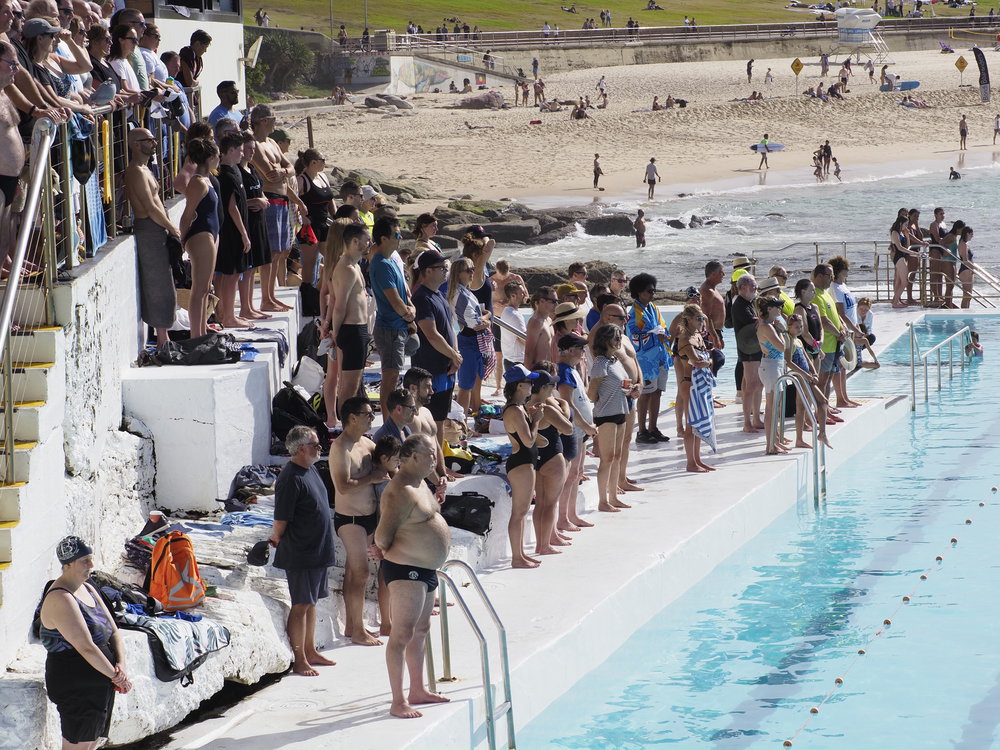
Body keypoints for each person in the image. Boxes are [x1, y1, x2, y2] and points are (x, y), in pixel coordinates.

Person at [375, 433, 453, 719]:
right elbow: (383, 535)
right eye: (431, 453)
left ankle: (417, 690)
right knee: (402, 634)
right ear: (413, 457)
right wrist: (379, 549)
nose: (435, 458)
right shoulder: (399, 490)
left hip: (426, 569)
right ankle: (398, 701)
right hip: (406, 569)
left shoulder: (420, 484)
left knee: (421, 631)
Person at [39, 536, 132, 749]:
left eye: (91, 559)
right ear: (67, 565)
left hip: (100, 680)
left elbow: (114, 631)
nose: (91, 566)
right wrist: (117, 676)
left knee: (92, 743)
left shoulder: (88, 588)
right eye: (84, 561)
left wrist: (121, 667)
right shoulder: (61, 597)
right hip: (76, 685)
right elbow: (86, 647)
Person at [268, 426, 338, 676]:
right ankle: (299, 658)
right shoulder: (290, 478)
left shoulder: (311, 471)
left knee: (312, 602)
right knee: (301, 604)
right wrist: (276, 536)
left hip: (317, 551)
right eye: (316, 445)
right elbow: (281, 518)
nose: (320, 448)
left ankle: (310, 650)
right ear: (300, 449)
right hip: (301, 552)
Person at [330, 396, 389, 646]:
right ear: (352, 417)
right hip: (350, 519)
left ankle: (352, 626)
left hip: (368, 517)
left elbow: (387, 466)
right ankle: (358, 630)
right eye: (368, 414)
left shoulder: (367, 444)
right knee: (362, 572)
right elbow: (343, 486)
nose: (372, 418)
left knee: (353, 573)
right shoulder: (340, 447)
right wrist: (372, 479)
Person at [124, 128, 179, 346]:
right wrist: (172, 228)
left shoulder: (145, 169)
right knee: (158, 283)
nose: (155, 143)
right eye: (149, 140)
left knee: (166, 282)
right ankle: (162, 339)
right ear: (136, 144)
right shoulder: (135, 171)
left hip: (157, 229)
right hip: (149, 229)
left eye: (155, 139)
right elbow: (149, 208)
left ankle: (164, 336)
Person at [250, 103, 303, 310]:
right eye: (273, 118)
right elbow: (268, 173)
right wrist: (283, 172)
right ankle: (266, 297)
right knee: (271, 252)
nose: (276, 121)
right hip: (270, 199)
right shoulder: (255, 144)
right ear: (264, 121)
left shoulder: (271, 141)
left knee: (282, 251)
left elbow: (290, 168)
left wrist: (283, 172)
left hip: (282, 200)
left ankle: (270, 295)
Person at [411, 250, 462, 446]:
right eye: (441, 268)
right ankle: (436, 467)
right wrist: (454, 356)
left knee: (440, 417)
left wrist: (455, 355)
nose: (445, 272)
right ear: (428, 271)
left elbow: (449, 328)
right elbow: (431, 334)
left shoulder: (438, 295)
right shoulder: (422, 298)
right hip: (431, 368)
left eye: (445, 268)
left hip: (446, 365)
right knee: (432, 421)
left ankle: (439, 462)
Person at [371, 215, 418, 418]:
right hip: (390, 328)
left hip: (398, 326)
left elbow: (404, 296)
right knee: (389, 379)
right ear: (383, 238)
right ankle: (388, 421)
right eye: (396, 234)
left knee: (394, 375)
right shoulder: (381, 263)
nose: (400, 238)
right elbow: (394, 300)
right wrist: (409, 316)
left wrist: (411, 312)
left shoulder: (391, 261)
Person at [588, 324, 637, 512]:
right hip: (606, 414)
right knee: (607, 458)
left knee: (616, 457)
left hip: (620, 411)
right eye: (616, 338)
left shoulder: (615, 360)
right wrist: (608, 397)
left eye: (620, 337)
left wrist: (629, 390)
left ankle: (613, 496)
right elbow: (592, 394)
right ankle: (603, 501)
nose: (619, 341)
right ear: (606, 340)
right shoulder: (600, 363)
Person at [527, 362, 574, 555]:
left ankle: (541, 543)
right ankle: (544, 545)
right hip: (553, 458)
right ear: (543, 388)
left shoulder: (526, 405)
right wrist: (564, 405)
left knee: (540, 503)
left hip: (536, 458)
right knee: (550, 504)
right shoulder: (547, 408)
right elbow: (568, 428)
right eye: (551, 386)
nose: (554, 389)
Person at [178, 138, 220, 339]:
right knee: (199, 288)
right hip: (200, 235)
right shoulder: (197, 182)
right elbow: (187, 215)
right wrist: (183, 239)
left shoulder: (207, 179)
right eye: (217, 156)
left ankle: (201, 330)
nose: (218, 160)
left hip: (210, 233)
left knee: (205, 288)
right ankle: (196, 335)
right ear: (211, 157)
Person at [331, 224, 372, 416]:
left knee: (353, 386)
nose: (369, 243)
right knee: (349, 388)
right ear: (355, 241)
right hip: (352, 330)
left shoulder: (354, 265)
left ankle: (349, 428)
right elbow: (339, 306)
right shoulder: (347, 268)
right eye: (366, 240)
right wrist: (336, 334)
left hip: (358, 330)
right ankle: (344, 430)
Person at [555, 333, 596, 530]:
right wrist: (587, 426)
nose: (582, 353)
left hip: (582, 430)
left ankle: (571, 514)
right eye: (580, 349)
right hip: (574, 430)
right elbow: (569, 404)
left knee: (577, 472)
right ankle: (563, 518)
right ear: (570, 350)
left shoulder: (572, 370)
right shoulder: (563, 372)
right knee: (571, 474)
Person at [213, 132, 252, 329]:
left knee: (234, 274)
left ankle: (228, 314)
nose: (242, 153)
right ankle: (228, 317)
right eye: (239, 149)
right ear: (229, 151)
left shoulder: (235, 171)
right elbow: (231, 207)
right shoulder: (226, 174)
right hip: (231, 231)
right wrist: (244, 233)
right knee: (232, 274)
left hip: (235, 229)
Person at [627, 272, 670, 444]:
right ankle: (642, 430)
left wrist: (663, 335)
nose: (653, 294)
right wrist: (653, 335)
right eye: (649, 291)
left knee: (657, 393)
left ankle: (653, 427)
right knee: (645, 395)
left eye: (654, 291)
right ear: (639, 292)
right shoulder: (634, 313)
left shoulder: (653, 308)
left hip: (659, 357)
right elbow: (633, 337)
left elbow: (663, 327)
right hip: (645, 361)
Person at [674, 304, 716, 472]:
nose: (701, 321)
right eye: (699, 318)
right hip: (689, 383)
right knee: (691, 425)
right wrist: (709, 361)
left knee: (698, 425)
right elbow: (697, 363)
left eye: (703, 318)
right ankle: (690, 462)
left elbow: (704, 360)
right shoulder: (684, 338)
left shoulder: (698, 335)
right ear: (688, 319)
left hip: (700, 384)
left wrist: (708, 361)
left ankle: (697, 460)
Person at [812, 263, 859, 409]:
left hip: (835, 343)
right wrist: (839, 334)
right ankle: (821, 408)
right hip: (826, 345)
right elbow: (824, 321)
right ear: (820, 276)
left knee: (830, 377)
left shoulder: (825, 293)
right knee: (822, 380)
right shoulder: (816, 295)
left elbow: (836, 315)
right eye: (829, 276)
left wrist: (843, 328)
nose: (831, 279)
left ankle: (826, 406)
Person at [785, 313, 833, 449]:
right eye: (796, 327)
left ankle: (799, 440)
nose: (799, 329)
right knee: (822, 401)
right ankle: (822, 433)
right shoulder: (788, 340)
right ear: (789, 327)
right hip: (801, 378)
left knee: (800, 408)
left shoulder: (798, 341)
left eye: (801, 326)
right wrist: (806, 375)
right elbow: (788, 362)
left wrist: (814, 373)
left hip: (807, 376)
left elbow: (807, 358)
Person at [756, 296, 789, 455]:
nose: (780, 310)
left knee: (775, 407)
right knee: (770, 408)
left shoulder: (769, 325)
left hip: (775, 366)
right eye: (777, 307)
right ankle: (770, 445)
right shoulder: (767, 327)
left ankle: (774, 442)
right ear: (769, 309)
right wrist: (781, 330)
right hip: (770, 367)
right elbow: (782, 347)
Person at [732, 274, 764, 432]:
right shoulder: (739, 303)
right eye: (753, 287)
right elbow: (755, 322)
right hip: (747, 349)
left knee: (759, 384)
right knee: (751, 385)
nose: (755, 289)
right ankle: (747, 422)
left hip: (755, 347)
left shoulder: (750, 302)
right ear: (743, 288)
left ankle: (756, 418)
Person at [524, 286, 557, 370]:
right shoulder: (536, 322)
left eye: (557, 301)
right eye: (553, 301)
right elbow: (528, 352)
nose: (556, 304)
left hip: (550, 369)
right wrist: (529, 376)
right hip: (539, 371)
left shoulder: (549, 320)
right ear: (542, 301)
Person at [957, 225, 975, 309]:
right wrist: (975, 268)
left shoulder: (964, 243)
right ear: (967, 234)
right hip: (965, 270)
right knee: (967, 295)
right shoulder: (963, 244)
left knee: (968, 296)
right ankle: (964, 312)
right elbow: (965, 260)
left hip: (967, 269)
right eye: (971, 234)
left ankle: (966, 311)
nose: (972, 236)